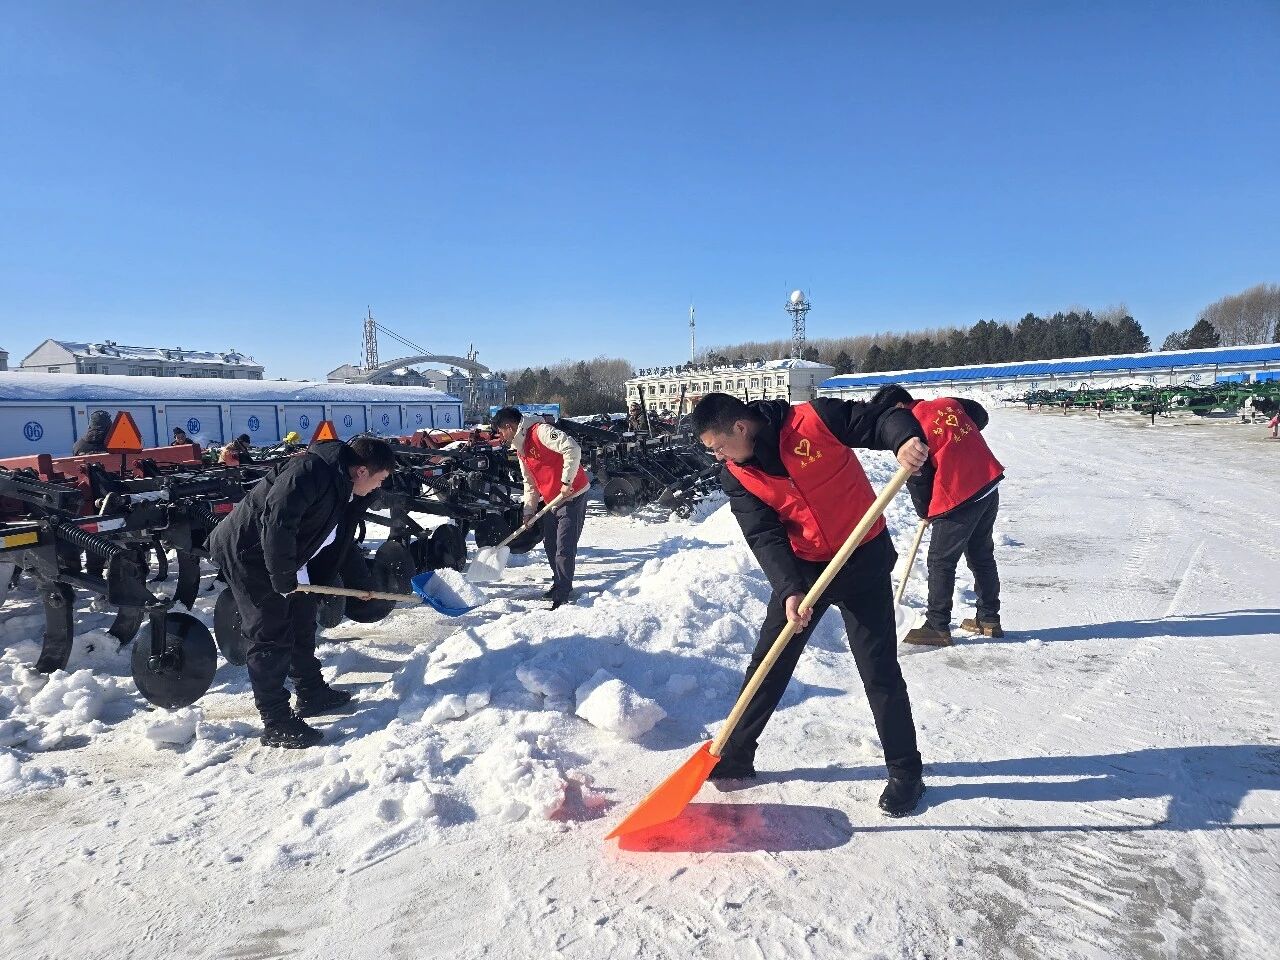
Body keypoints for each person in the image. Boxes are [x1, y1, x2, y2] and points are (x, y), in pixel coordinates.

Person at [690, 391, 930, 817]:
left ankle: (906, 771)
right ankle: (737, 753)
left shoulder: (815, 419)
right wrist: (788, 589)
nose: (718, 456)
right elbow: (764, 534)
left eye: (718, 445)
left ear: (740, 428)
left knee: (878, 669)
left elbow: (879, 420)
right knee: (771, 659)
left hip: (862, 558)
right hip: (805, 571)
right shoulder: (736, 474)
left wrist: (905, 438)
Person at [207, 435, 396, 747]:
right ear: (362, 471)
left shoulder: (346, 488)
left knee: (302, 619)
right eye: (380, 479)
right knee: (270, 632)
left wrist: (359, 585)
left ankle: (310, 691)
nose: (379, 487)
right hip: (250, 553)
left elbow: (341, 541)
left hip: (289, 554)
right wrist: (282, 579)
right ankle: (276, 721)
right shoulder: (309, 472)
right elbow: (277, 522)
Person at [871, 386, 1006, 646]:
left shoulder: (910, 432)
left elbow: (918, 479)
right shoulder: (947, 403)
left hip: (960, 493)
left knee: (940, 561)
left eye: (889, 417)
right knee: (981, 554)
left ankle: (937, 625)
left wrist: (925, 512)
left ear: (899, 407)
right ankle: (989, 619)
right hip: (988, 483)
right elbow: (980, 415)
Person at [491, 406, 589, 610]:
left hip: (573, 494)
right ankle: (559, 582)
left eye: (500, 431)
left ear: (508, 427)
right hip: (552, 499)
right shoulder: (521, 449)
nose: (500, 436)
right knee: (550, 544)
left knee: (564, 546)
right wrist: (528, 511)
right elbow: (530, 483)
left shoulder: (540, 431)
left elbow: (572, 449)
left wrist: (567, 482)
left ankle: (562, 593)